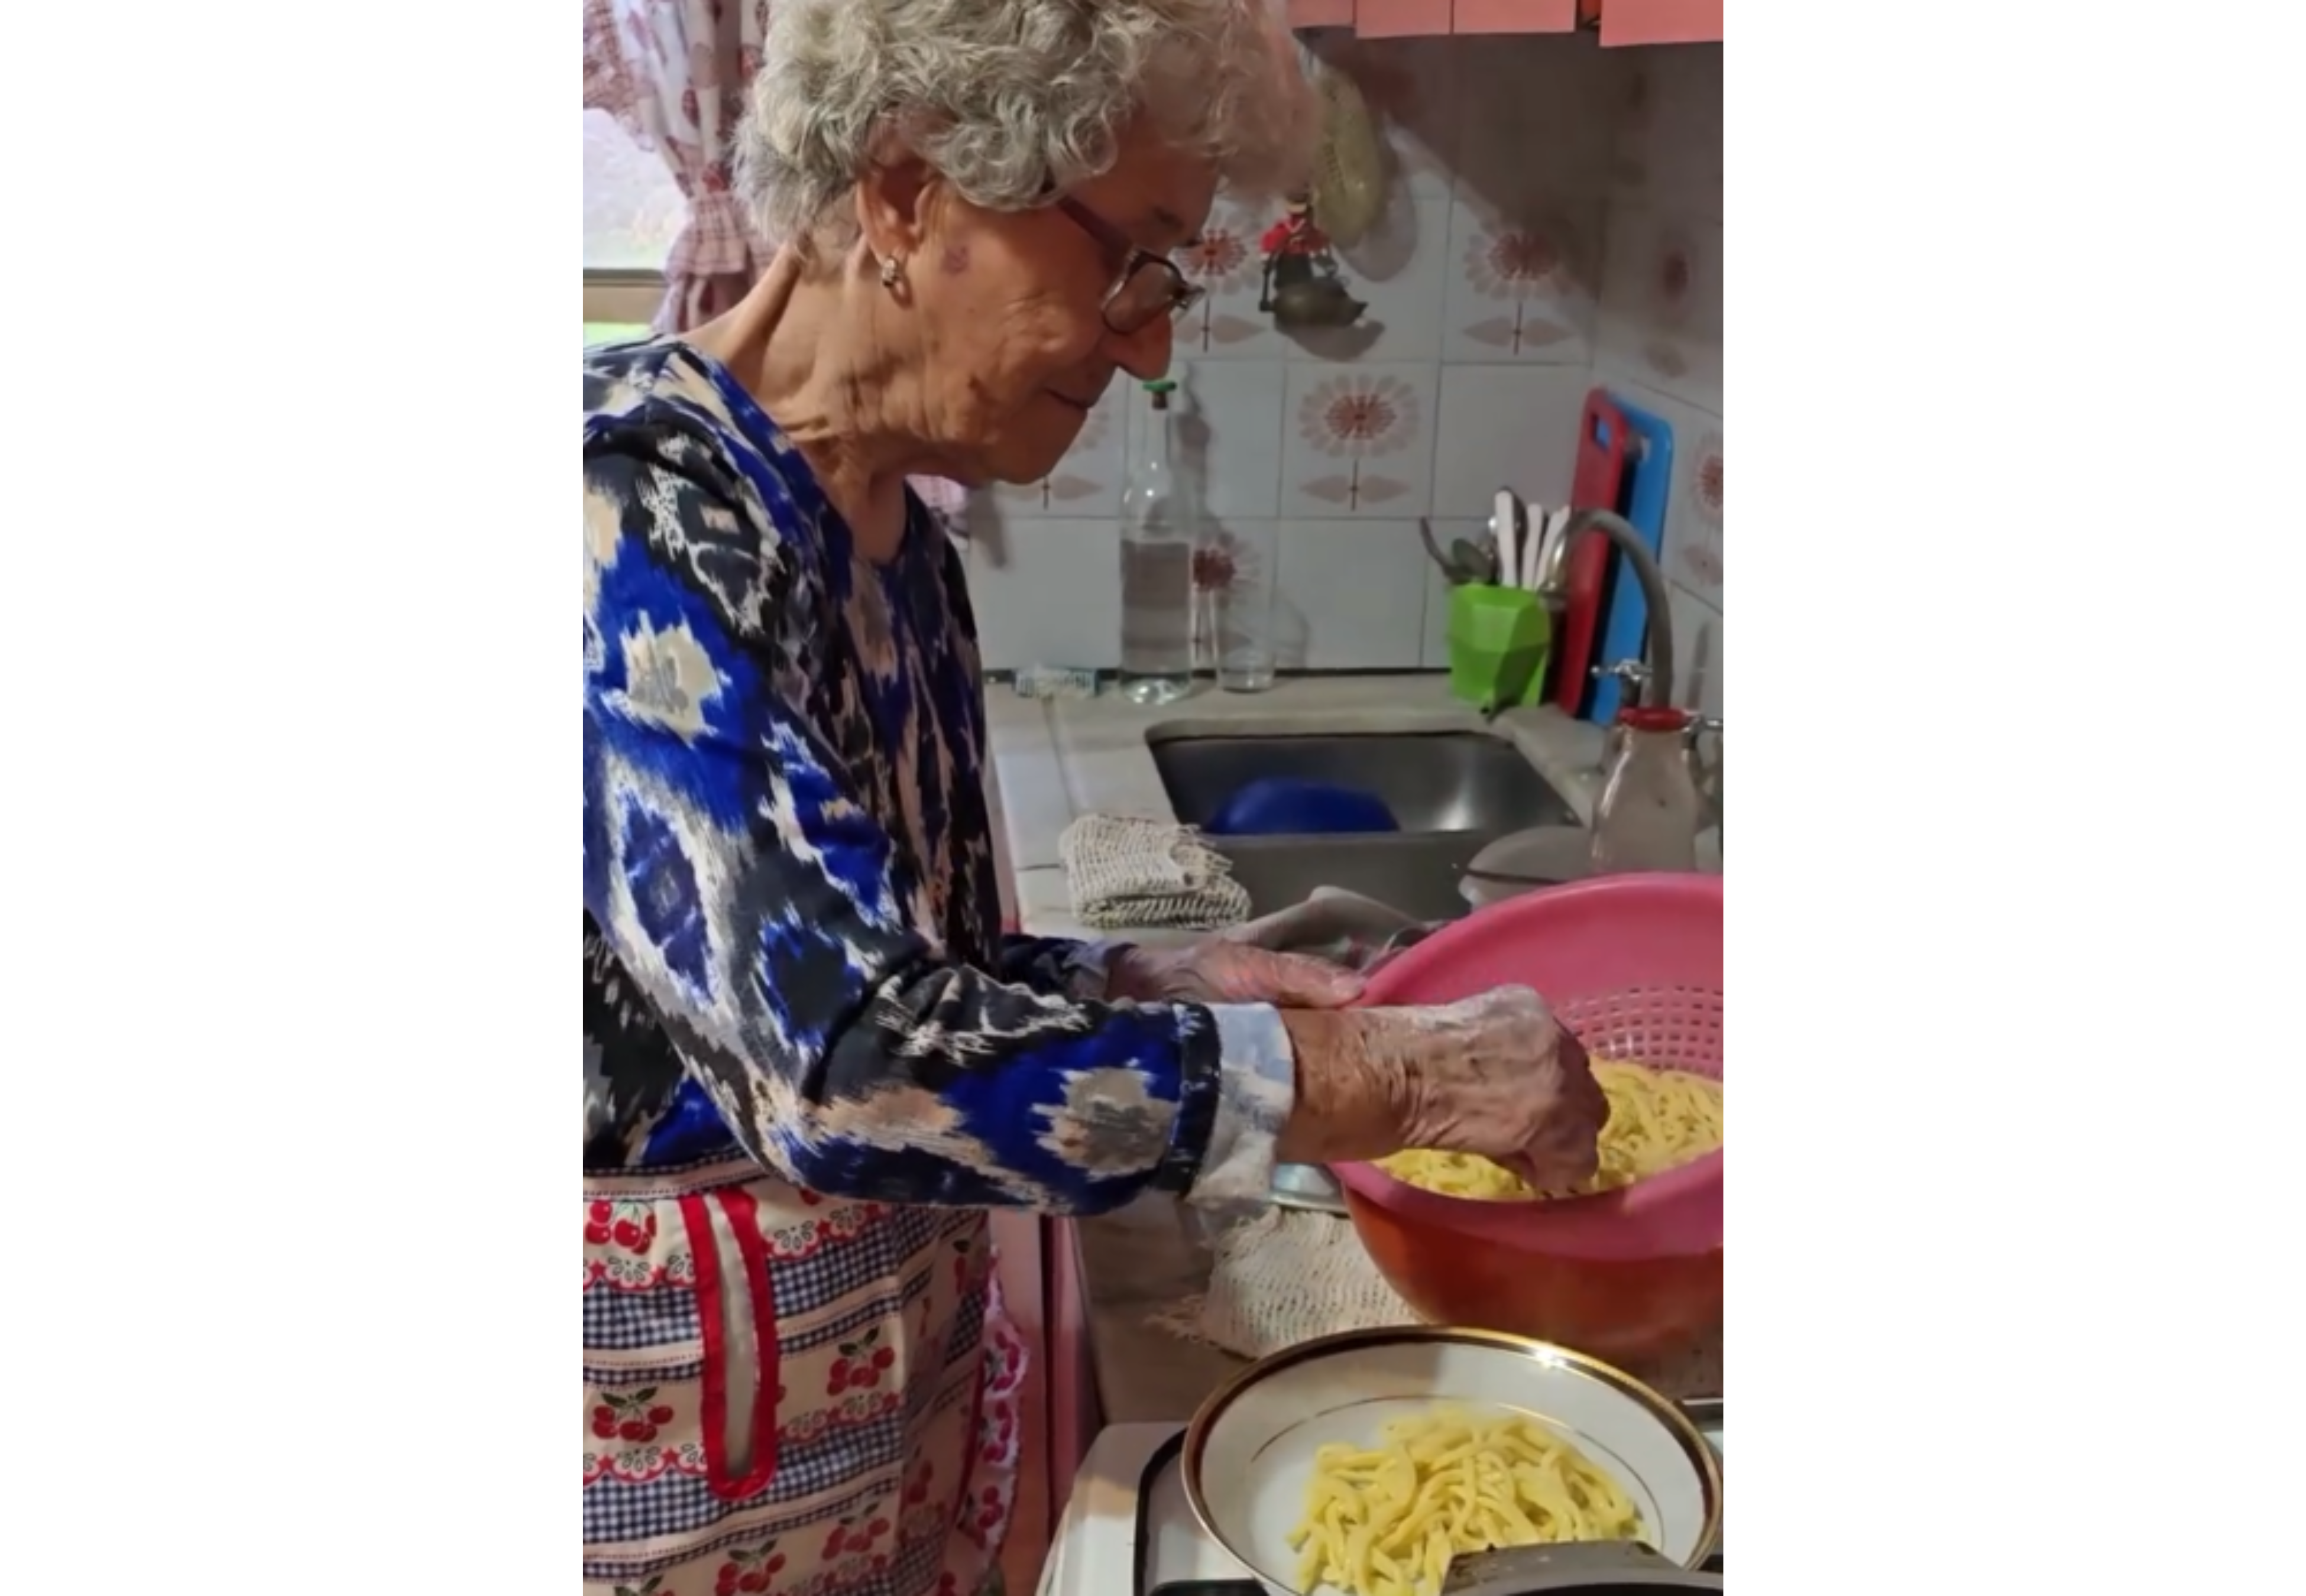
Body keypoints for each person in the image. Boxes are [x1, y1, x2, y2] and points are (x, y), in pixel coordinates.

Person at [579, 4, 1609, 1593]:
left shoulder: (889, 532)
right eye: (1130, 258)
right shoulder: (628, 522)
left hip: (866, 1409)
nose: (1150, 341)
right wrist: (1383, 1083)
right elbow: (850, 1071)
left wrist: (1151, 975)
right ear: (909, 189)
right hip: (677, 1470)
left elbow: (915, 962)